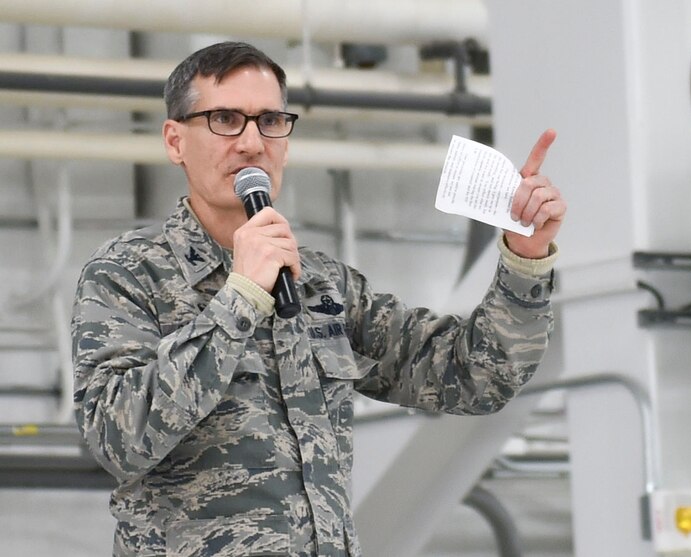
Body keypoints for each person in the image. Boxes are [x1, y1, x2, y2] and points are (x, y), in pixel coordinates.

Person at [71, 41, 566, 557]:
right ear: (175, 141)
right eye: (224, 119)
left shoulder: (323, 285)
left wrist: (524, 255)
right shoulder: (129, 272)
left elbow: (475, 376)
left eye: (269, 121)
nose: (250, 142)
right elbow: (117, 437)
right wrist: (240, 298)